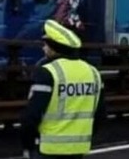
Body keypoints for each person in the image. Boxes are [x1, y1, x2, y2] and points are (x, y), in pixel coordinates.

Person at [20, 20, 104, 159]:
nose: (43, 49)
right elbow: (100, 115)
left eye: (46, 45)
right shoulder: (93, 73)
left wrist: (28, 145)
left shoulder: (48, 72)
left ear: (54, 47)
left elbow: (31, 115)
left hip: (48, 150)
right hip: (78, 150)